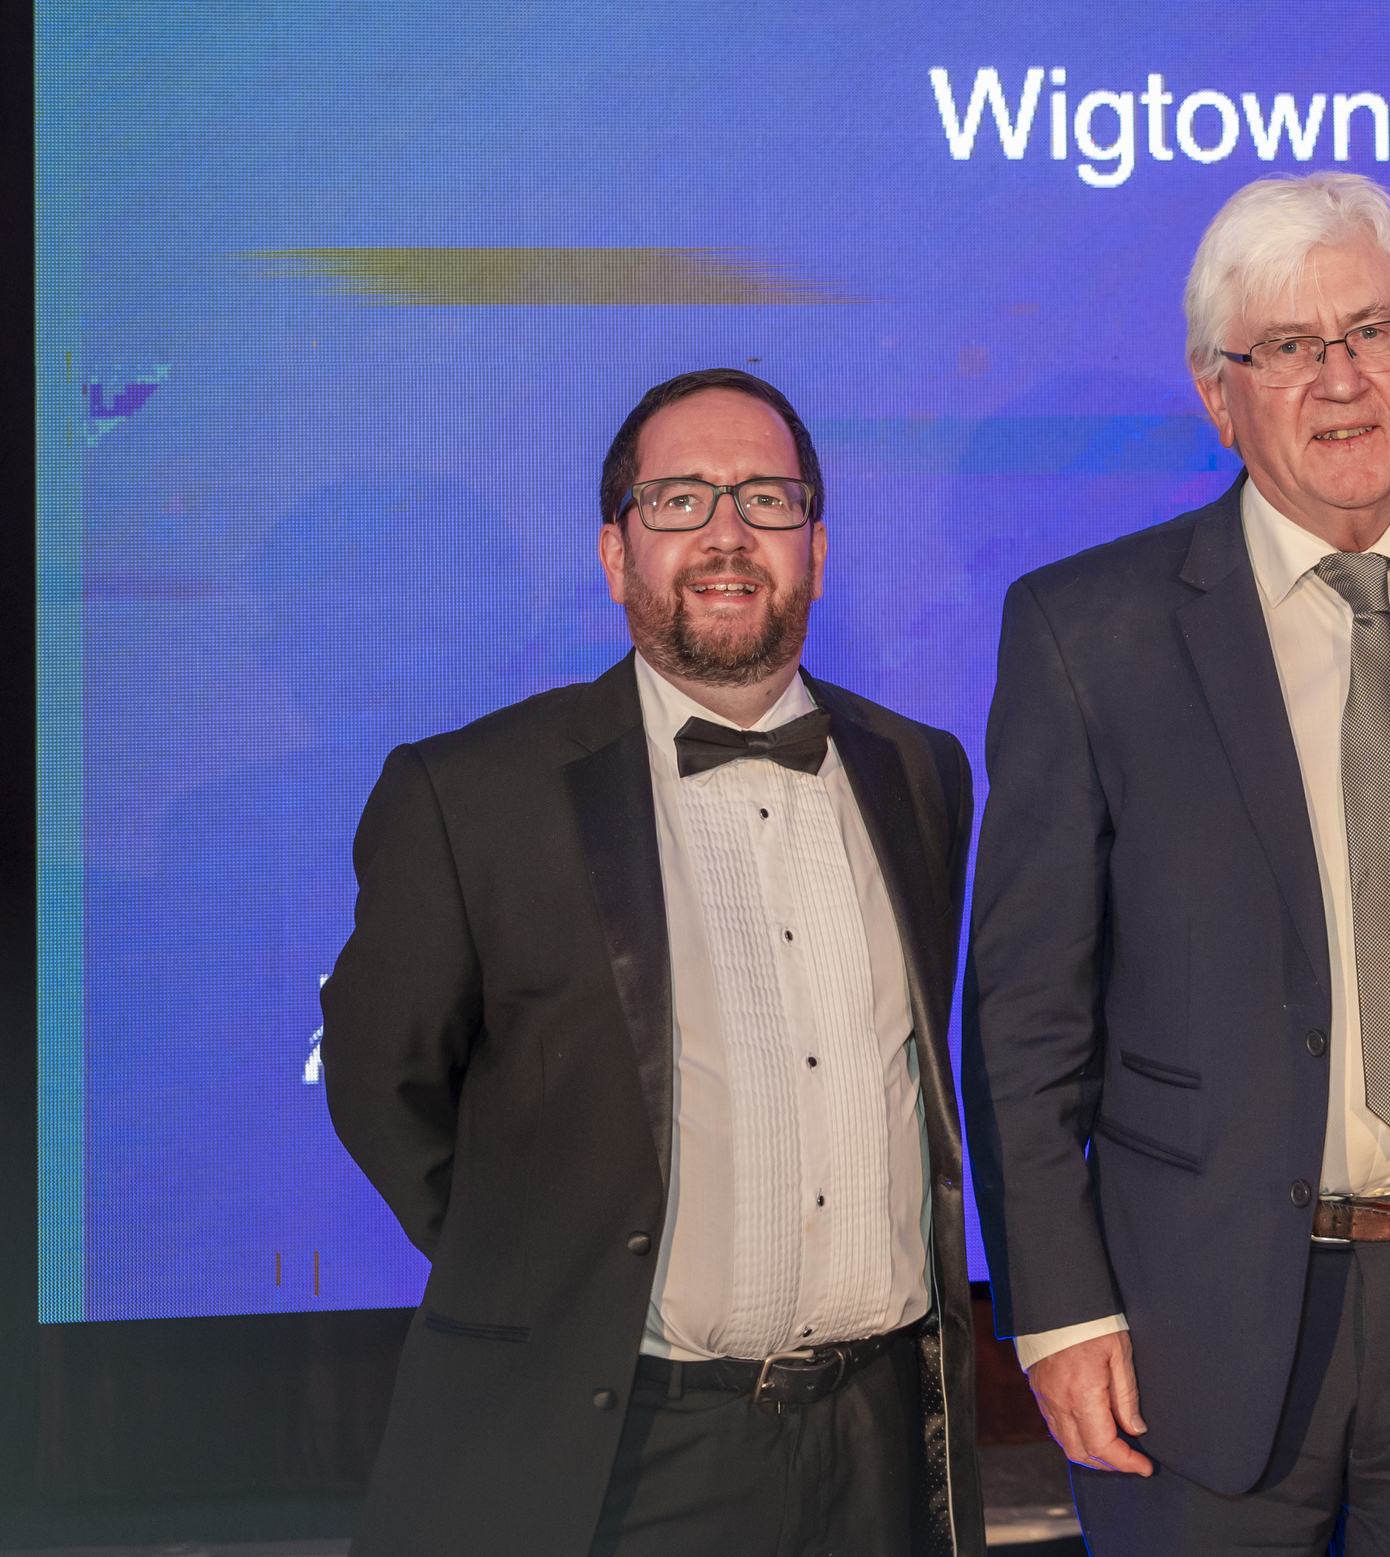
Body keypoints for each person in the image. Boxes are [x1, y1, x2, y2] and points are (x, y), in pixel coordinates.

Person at [963, 171, 1390, 1555]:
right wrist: (1061, 1305)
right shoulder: (1089, 630)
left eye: (1375, 331)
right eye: (1288, 348)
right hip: (1197, 1313)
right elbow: (1024, 1014)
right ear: (1221, 394)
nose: (1340, 378)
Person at [322, 369, 982, 1557]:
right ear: (616, 552)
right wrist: (545, 1268)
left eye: (767, 498)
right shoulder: (470, 794)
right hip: (621, 1456)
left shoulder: (923, 771)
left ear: (818, 549)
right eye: (678, 499)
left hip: (885, 1451)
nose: (727, 532)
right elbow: (384, 1086)